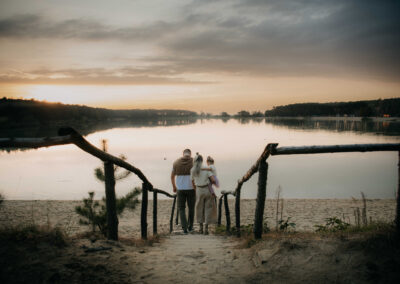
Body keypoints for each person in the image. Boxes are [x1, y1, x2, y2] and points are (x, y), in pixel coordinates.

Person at [191, 153, 217, 235]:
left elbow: (192, 181)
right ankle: (206, 228)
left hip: (198, 189)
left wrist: (196, 189)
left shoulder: (192, 170)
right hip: (207, 189)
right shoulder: (206, 168)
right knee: (208, 208)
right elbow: (213, 180)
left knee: (199, 208)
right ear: (202, 161)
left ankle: (200, 228)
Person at [171, 148, 195, 234]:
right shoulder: (194, 162)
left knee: (181, 208)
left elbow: (172, 176)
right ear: (190, 154)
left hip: (180, 188)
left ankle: (184, 228)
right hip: (192, 188)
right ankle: (190, 226)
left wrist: (174, 186)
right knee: (191, 208)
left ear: (183, 154)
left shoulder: (176, 162)